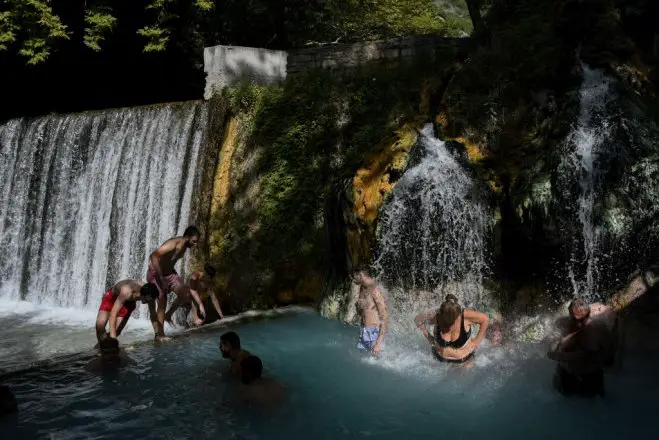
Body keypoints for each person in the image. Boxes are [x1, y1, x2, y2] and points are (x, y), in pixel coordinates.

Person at [547, 297, 615, 397]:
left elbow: (609, 357)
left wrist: (567, 356)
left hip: (590, 376)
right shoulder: (562, 324)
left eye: (581, 306)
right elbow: (550, 350)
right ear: (569, 311)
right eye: (574, 307)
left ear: (589, 311)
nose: (578, 309)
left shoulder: (598, 328)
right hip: (566, 374)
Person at [147, 225, 201, 339]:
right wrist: (161, 278)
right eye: (194, 241)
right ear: (187, 237)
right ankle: (160, 335)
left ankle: (168, 315)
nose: (195, 244)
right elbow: (153, 256)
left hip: (170, 274)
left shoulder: (184, 247)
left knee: (186, 294)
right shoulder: (173, 243)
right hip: (157, 273)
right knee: (162, 300)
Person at [414, 294, 490, 365]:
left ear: (457, 315)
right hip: (439, 363)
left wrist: (477, 341)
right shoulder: (437, 316)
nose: (449, 324)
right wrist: (429, 337)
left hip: (465, 362)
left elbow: (485, 319)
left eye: (453, 320)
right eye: (445, 320)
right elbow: (418, 319)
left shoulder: (464, 316)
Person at [95, 280, 158, 346]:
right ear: (142, 294)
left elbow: (153, 314)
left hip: (128, 303)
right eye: (146, 300)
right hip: (111, 298)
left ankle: (103, 347)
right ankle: (105, 347)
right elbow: (113, 314)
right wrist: (114, 340)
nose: (146, 302)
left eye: (149, 300)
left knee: (116, 331)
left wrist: (157, 334)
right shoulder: (127, 291)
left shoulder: (150, 294)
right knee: (100, 326)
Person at [352, 267, 388, 355]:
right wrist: (358, 306)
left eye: (354, 276)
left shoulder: (374, 290)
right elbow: (363, 312)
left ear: (360, 275)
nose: (352, 278)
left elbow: (385, 316)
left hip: (374, 333)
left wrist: (378, 343)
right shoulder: (362, 288)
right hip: (364, 330)